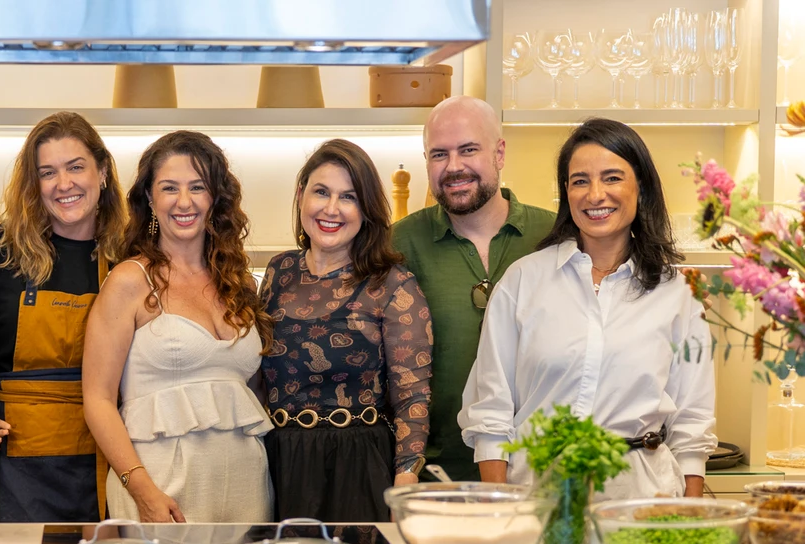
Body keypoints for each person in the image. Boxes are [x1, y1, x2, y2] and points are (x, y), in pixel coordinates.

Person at [459, 117, 716, 498]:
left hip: (642, 500)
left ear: (641, 188)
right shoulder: (523, 281)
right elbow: (491, 412)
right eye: (580, 181)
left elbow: (692, 421)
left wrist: (691, 516)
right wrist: (502, 508)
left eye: (612, 178)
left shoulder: (678, 293)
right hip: (539, 498)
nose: (595, 195)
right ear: (566, 193)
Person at [83, 130, 273, 523]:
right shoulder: (129, 281)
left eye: (197, 187)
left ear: (215, 198)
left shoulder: (239, 283)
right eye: (170, 188)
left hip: (246, 491)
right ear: (150, 199)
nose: (184, 202)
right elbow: (98, 401)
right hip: (160, 493)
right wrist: (143, 492)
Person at [261, 139, 432, 522]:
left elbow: (413, 395)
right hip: (278, 459)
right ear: (301, 194)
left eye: (349, 197)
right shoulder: (278, 271)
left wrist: (405, 479)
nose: (332, 209)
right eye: (321, 192)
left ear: (366, 209)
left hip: (357, 461)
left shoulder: (392, 284)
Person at [391, 96, 556, 482]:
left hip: (544, 474)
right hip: (433, 476)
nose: (453, 167)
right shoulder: (399, 243)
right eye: (438, 154)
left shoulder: (555, 236)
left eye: (468, 150)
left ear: (499, 153)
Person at [0, 112, 126, 523]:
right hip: (13, 462)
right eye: (48, 173)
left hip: (107, 454)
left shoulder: (131, 258)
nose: (64, 184)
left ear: (103, 172)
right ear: (33, 184)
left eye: (76, 167)